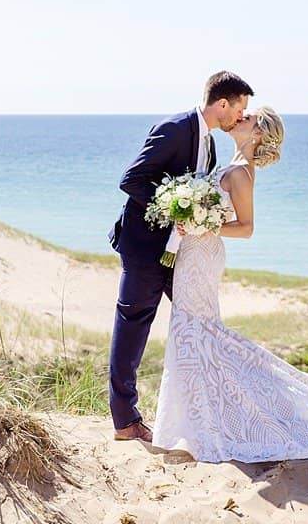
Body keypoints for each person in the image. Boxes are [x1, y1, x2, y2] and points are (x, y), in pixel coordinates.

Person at [152, 106, 308, 462]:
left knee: (197, 328)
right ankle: (195, 422)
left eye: (249, 118)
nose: (240, 118)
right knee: (193, 329)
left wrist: (205, 225)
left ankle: (205, 425)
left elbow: (246, 227)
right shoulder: (231, 163)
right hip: (194, 251)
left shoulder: (242, 173)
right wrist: (189, 221)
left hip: (204, 254)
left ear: (258, 134)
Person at [107, 71, 253, 442]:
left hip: (180, 254)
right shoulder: (175, 128)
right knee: (134, 324)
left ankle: (217, 412)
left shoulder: (211, 146)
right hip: (145, 248)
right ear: (223, 103)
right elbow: (132, 180)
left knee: (201, 324)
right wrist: (178, 210)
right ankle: (125, 421)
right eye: (240, 109)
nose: (240, 117)